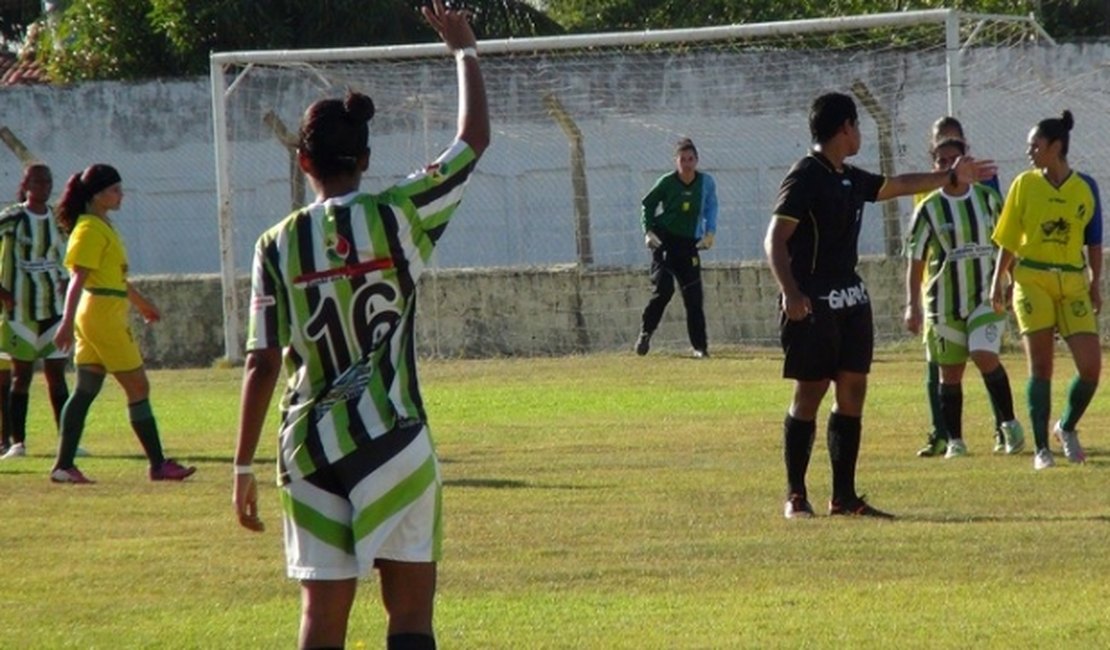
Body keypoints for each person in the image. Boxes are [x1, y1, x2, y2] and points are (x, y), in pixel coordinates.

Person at [232, 2, 489, 648]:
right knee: (410, 617)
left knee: (321, 618)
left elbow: (262, 361)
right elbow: (472, 142)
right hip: (392, 440)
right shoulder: (399, 214)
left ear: (304, 163)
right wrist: (464, 50)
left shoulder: (275, 245)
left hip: (308, 451)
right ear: (366, 159)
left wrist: (240, 467)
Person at [765, 91, 995, 519]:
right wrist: (792, 293)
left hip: (851, 297)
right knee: (810, 392)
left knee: (853, 389)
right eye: (857, 126)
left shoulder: (849, 177)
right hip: (813, 300)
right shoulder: (806, 176)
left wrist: (948, 176)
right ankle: (796, 494)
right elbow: (774, 239)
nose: (860, 134)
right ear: (845, 127)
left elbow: (898, 185)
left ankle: (844, 497)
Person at [48, 163, 196, 484]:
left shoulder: (101, 226)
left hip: (101, 310)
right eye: (114, 190)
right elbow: (77, 279)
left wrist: (142, 304)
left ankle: (63, 466)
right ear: (96, 195)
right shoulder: (89, 229)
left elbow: (114, 277)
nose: (121, 195)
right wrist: (66, 322)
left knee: (86, 389)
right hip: (102, 314)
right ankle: (158, 464)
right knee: (138, 387)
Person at [989, 110, 1102, 470]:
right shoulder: (1024, 184)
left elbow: (1094, 241)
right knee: (1041, 366)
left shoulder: (1085, 187)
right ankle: (1042, 449)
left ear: (1056, 147)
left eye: (1035, 146)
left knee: (1091, 367)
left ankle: (1065, 427)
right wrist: (998, 282)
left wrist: (1095, 283)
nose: (1029, 152)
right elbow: (1008, 239)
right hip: (1032, 279)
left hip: (1072, 282)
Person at [903, 138, 1024, 459]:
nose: (949, 167)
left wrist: (1012, 281)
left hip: (986, 296)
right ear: (934, 167)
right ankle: (955, 440)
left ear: (967, 161)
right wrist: (912, 304)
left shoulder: (987, 199)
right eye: (941, 162)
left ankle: (1009, 423)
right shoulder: (928, 208)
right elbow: (915, 260)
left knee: (984, 354)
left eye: (954, 159)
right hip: (944, 303)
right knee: (950, 373)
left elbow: (1008, 243)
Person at [0, 164, 72, 460]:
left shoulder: (57, 219)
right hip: (20, 311)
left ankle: (67, 440)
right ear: (26, 184)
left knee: (57, 375)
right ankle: (18, 443)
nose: (44, 186)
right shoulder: (12, 218)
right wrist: (2, 291)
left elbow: (65, 253)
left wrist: (65, 279)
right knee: (22, 376)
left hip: (53, 310)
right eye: (38, 181)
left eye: (48, 181)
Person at [634, 137, 717, 359]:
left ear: (697, 160)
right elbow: (647, 204)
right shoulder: (667, 182)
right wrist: (648, 231)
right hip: (664, 241)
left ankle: (700, 348)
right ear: (676, 161)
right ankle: (645, 333)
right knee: (664, 289)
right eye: (683, 159)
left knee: (693, 296)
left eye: (690, 159)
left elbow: (711, 207)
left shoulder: (706, 183)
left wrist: (710, 233)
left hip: (688, 244)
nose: (687, 164)